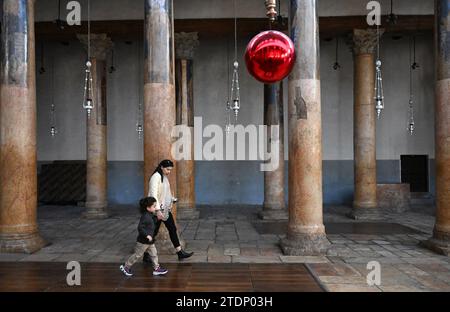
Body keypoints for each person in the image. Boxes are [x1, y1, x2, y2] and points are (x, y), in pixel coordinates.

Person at [143, 159, 193, 263]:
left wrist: (172, 199)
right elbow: (153, 195)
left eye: (170, 170)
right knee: (153, 232)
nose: (169, 171)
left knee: (172, 229)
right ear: (161, 167)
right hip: (156, 210)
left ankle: (180, 252)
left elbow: (166, 192)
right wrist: (157, 210)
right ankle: (146, 254)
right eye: (167, 169)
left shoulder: (164, 177)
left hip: (164, 209)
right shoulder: (155, 177)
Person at [120, 196, 168, 277]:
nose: (155, 207)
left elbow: (152, 222)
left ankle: (156, 268)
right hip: (143, 241)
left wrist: (158, 219)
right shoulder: (145, 216)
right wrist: (147, 235)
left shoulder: (150, 215)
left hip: (150, 241)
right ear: (148, 208)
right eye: (154, 206)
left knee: (154, 254)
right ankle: (126, 267)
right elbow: (140, 227)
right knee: (137, 255)